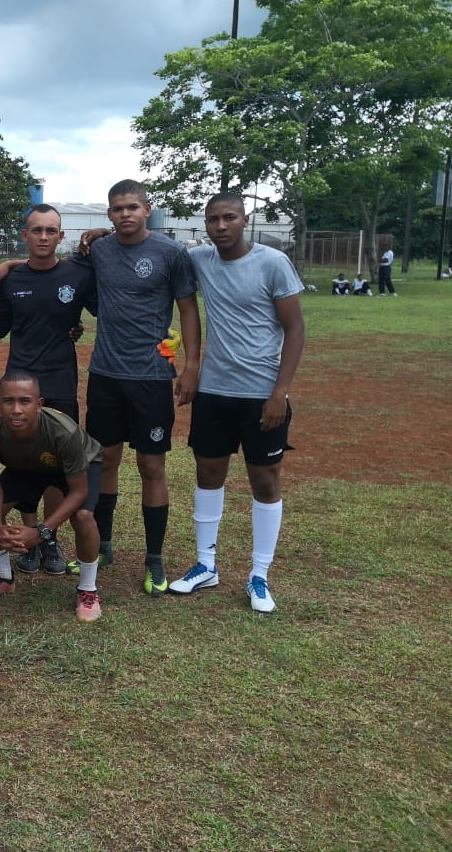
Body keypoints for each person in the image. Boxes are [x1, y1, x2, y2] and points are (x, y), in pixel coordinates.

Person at [167, 194, 304, 613]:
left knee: (265, 481)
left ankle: (259, 575)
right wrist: (100, 232)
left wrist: (279, 392)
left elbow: (295, 330)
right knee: (208, 475)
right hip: (214, 391)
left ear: (245, 220)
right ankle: (206, 565)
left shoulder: (273, 263)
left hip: (262, 394)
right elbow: (158, 248)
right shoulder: (200, 260)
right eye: (213, 219)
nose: (221, 226)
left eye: (229, 218)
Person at [83, 180, 200, 595]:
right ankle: (103, 545)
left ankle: (154, 558)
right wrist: (96, 234)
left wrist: (191, 365)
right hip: (105, 374)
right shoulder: (99, 250)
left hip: (151, 377)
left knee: (151, 466)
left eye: (132, 207)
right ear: (109, 214)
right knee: (105, 460)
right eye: (117, 209)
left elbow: (188, 309)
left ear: (147, 209)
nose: (125, 214)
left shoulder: (171, 253)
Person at [0, 204, 98, 574]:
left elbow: (102, 306)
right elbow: (0, 324)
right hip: (19, 384)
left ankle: (48, 539)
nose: (44, 237)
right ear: (25, 235)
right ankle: (27, 534)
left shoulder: (78, 274)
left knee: (55, 465)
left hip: (60, 383)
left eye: (51, 231)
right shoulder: (11, 280)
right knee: (23, 460)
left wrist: (101, 233)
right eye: (37, 230)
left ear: (61, 236)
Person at [0, 372, 105, 621]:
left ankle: (88, 590)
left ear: (39, 404)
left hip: (74, 470)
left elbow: (79, 491)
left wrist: (41, 531)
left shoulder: (63, 431)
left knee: (84, 516)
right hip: (26, 467)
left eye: (25, 401)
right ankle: (3, 578)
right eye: (8, 401)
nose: (16, 409)